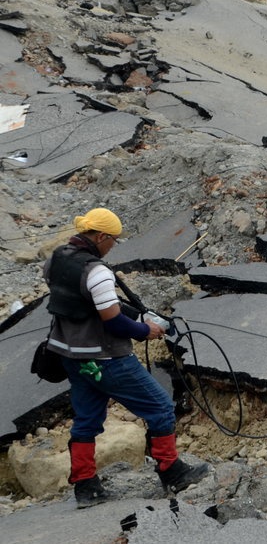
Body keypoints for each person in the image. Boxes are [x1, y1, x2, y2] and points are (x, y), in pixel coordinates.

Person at [43, 208, 209, 508]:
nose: (113, 246)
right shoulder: (97, 271)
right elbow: (113, 321)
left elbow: (81, 301)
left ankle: (85, 487)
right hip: (107, 358)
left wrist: (136, 313)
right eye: (114, 241)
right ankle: (172, 472)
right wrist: (145, 329)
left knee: (86, 420)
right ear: (102, 236)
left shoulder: (57, 258)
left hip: (71, 356)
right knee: (159, 408)